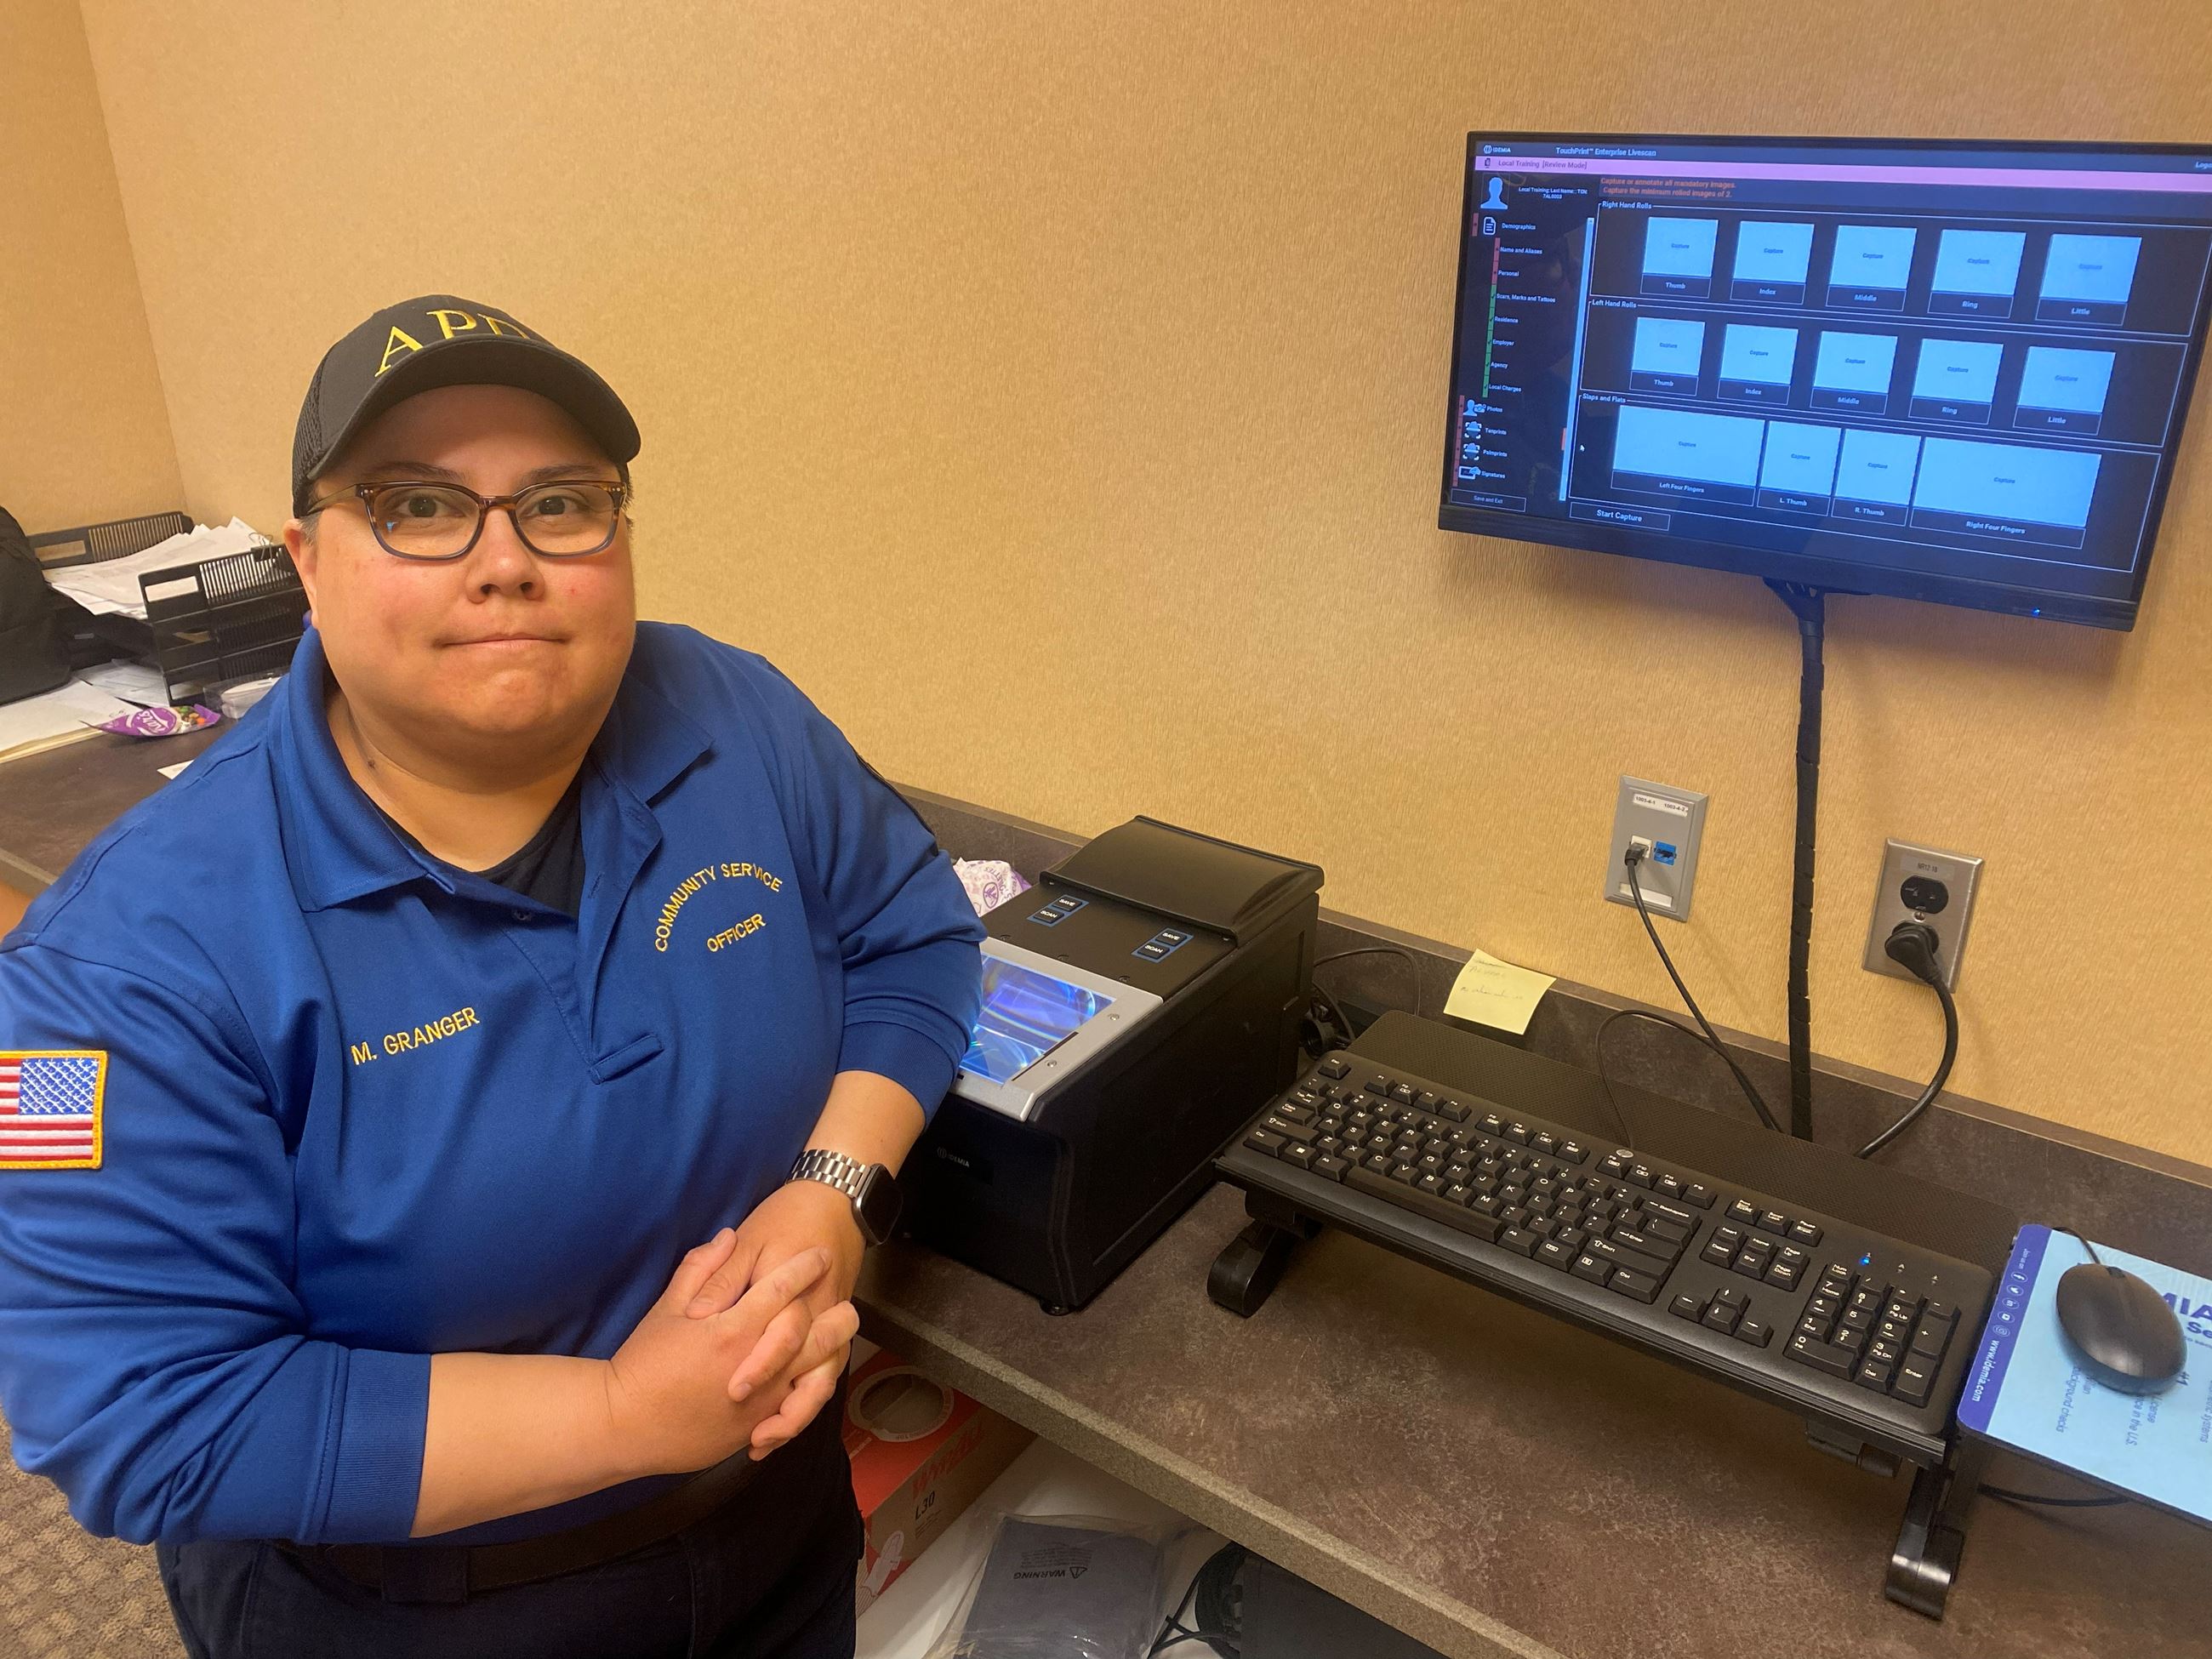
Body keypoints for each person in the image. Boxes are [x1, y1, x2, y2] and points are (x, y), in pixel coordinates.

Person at [0, 295, 985, 1658]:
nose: (505, 561)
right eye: (417, 505)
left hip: (778, 1526)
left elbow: (915, 936)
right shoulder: (108, 967)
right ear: (306, 558)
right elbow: (133, 1412)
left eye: (561, 504)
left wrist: (831, 1194)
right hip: (411, 1613)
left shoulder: (738, 714)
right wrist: (624, 1418)